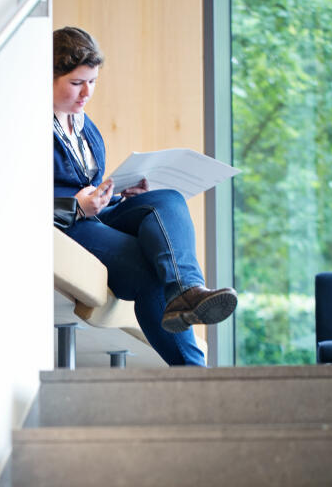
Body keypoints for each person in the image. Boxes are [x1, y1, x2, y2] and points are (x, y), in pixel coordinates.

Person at [53, 26, 237, 367]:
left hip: (97, 214)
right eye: (77, 83)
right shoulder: (30, 126)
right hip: (68, 224)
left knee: (167, 199)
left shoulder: (82, 123)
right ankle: (195, 372)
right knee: (152, 267)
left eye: (92, 81)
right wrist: (76, 207)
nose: (87, 93)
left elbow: (90, 184)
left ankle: (187, 290)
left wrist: (120, 196)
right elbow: (19, 198)